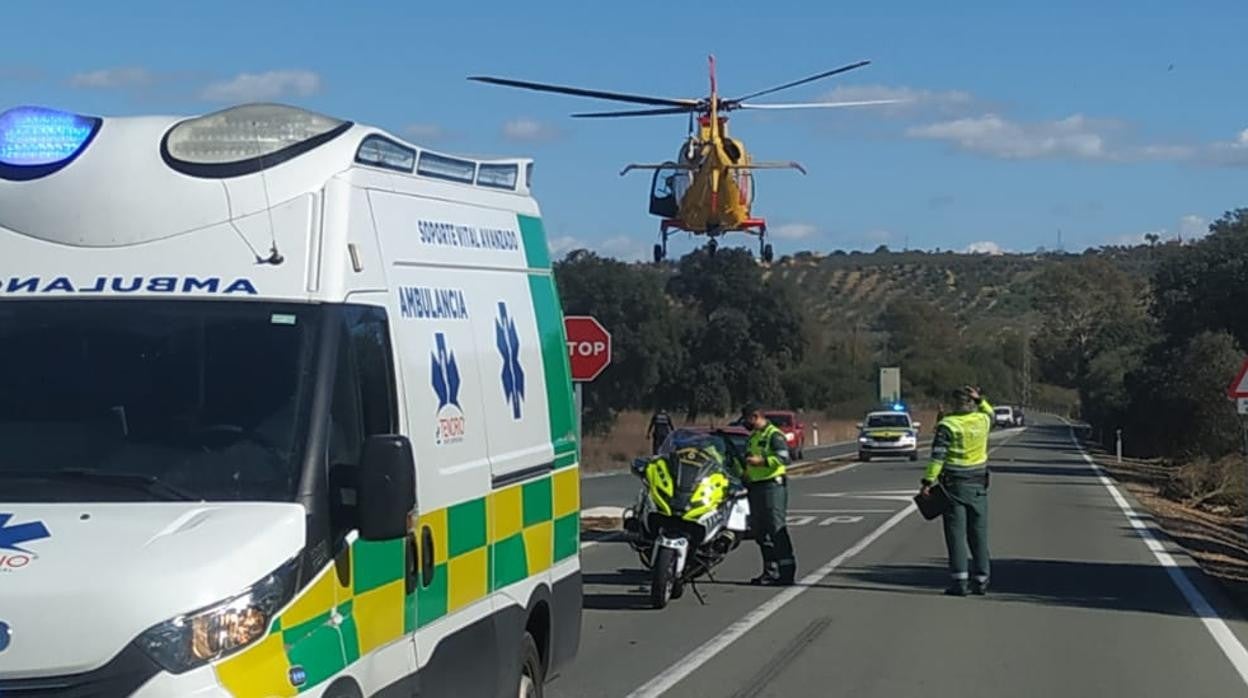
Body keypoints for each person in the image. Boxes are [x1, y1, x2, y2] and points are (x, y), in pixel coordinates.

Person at [919, 385, 995, 596]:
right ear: (972, 403)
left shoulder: (948, 425)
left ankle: (959, 582)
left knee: (956, 535)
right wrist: (981, 399)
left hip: (953, 485)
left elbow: (938, 457)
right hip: (979, 484)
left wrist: (928, 481)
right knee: (978, 534)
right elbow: (991, 414)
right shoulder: (983, 421)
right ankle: (981, 579)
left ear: (954, 403)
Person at [741, 403, 796, 586]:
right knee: (761, 532)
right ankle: (770, 571)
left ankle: (786, 572)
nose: (746, 424)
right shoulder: (754, 436)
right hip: (755, 487)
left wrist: (762, 461)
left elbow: (784, 458)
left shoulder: (774, 435)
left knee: (776, 528)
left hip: (772, 487)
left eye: (748, 419)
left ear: (756, 416)